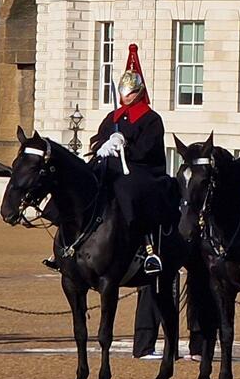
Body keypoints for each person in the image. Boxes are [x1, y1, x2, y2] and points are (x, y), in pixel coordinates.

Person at [48, 44, 173, 275]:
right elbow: (98, 139)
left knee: (127, 190)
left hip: (140, 169)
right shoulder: (112, 116)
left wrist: (125, 145)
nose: (126, 97)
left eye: (131, 93)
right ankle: (63, 239)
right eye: (124, 93)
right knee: (77, 185)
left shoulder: (151, 119)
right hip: (109, 166)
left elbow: (147, 150)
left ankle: (148, 249)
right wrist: (103, 145)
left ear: (139, 93)